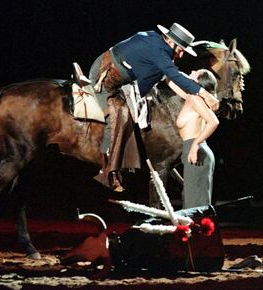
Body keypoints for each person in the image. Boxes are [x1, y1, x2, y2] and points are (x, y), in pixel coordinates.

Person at [89, 23, 219, 192]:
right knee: (120, 114)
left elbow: (169, 79)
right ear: (171, 43)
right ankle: (108, 169)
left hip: (124, 79)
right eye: (181, 50)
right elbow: (173, 75)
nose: (180, 54)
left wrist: (189, 97)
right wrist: (205, 93)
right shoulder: (158, 49)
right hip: (106, 79)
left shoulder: (160, 49)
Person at [176, 69, 219, 209]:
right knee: (190, 202)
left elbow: (214, 122)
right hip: (191, 149)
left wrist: (195, 144)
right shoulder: (189, 96)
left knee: (194, 206)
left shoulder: (195, 99)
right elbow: (170, 79)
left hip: (197, 150)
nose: (192, 70)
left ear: (198, 82)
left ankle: (202, 231)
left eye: (196, 72)